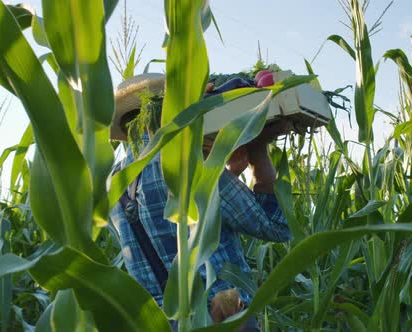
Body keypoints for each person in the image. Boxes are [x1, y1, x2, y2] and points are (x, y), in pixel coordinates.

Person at [108, 73, 292, 330]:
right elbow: (276, 224)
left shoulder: (114, 183)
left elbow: (167, 232)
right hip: (222, 317)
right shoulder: (191, 163)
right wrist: (259, 146)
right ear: (172, 110)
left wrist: (231, 173)